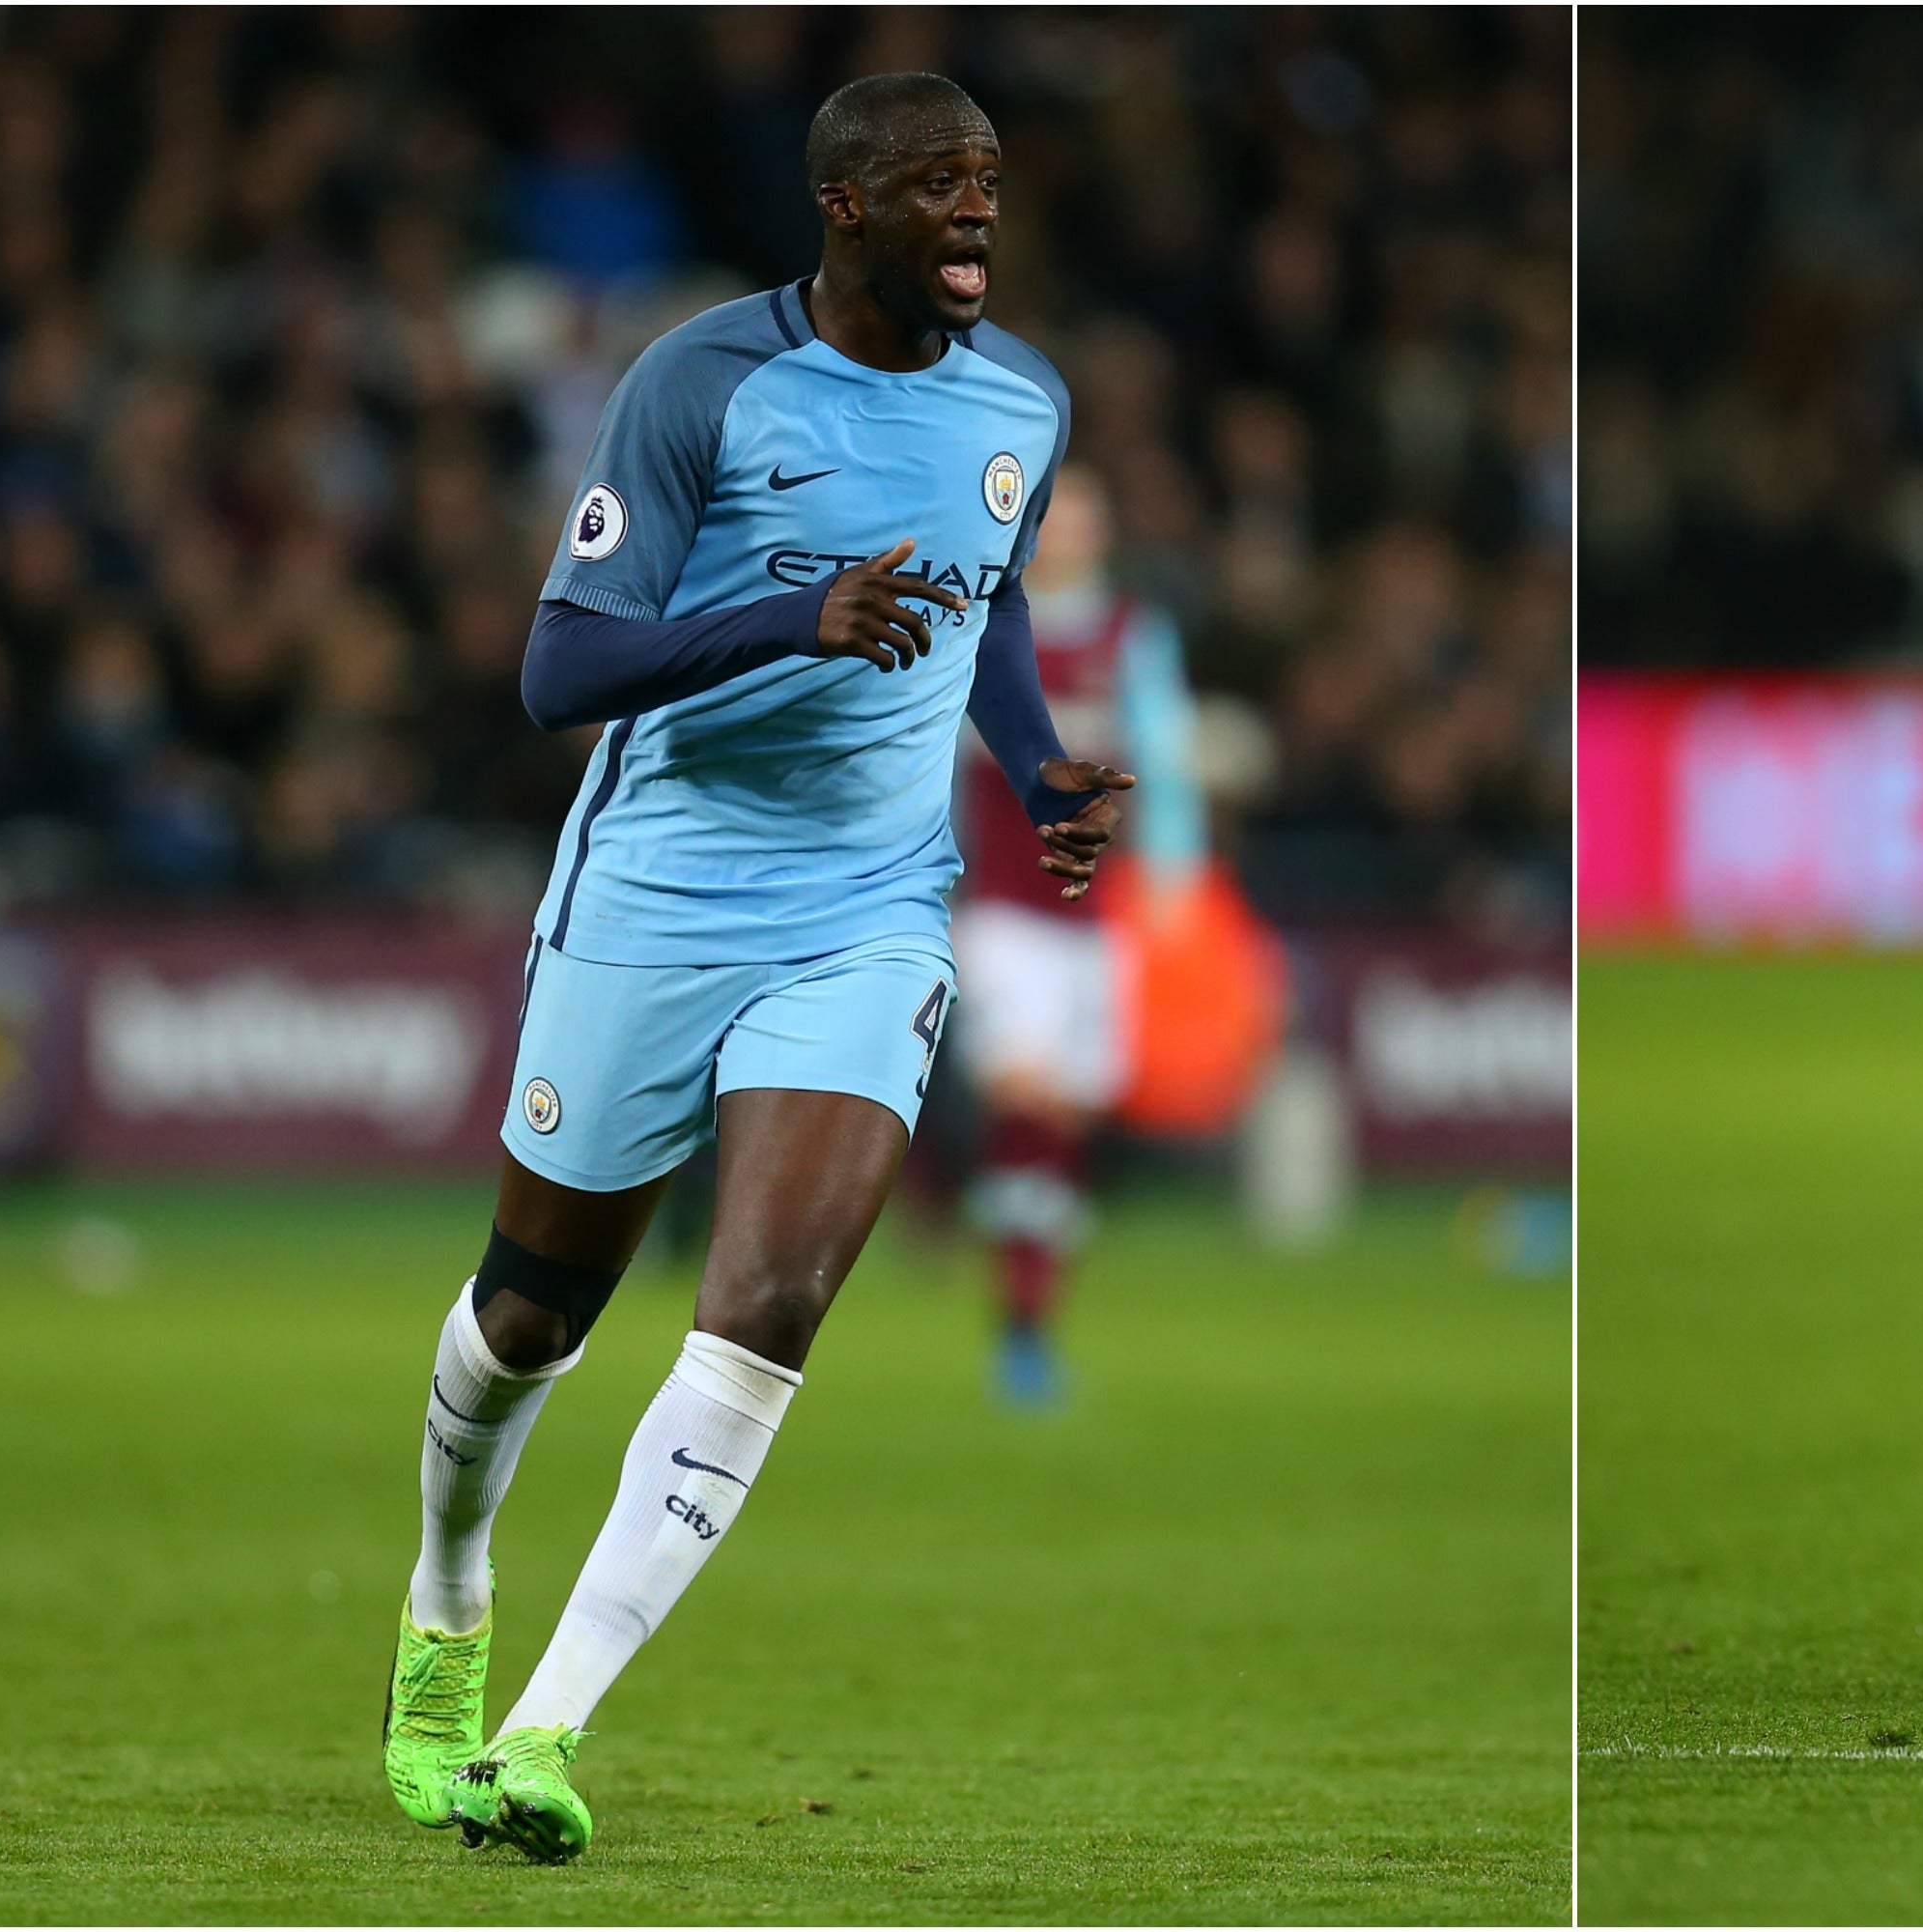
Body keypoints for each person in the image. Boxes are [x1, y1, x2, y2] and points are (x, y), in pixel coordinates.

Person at [379, 73, 1131, 1862]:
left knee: (774, 1299)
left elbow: (993, 594)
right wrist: (794, 617)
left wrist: (1035, 766)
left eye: (989, 182)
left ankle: (542, 1730)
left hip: (869, 909)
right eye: (938, 184)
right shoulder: (699, 382)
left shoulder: (1026, 401)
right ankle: (446, 1602)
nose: (977, 212)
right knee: (527, 1322)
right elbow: (561, 671)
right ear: (845, 205)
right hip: (655, 891)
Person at [951, 462, 1209, 1405]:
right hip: (1001, 909)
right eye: (1053, 520)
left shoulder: (1131, 635)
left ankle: (1032, 1313)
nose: (1067, 535)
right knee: (1023, 1092)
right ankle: (1018, 1321)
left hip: (1094, 919)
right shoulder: (980, 625)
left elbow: (1167, 763)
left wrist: (1175, 877)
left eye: (1082, 520)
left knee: (1067, 1116)